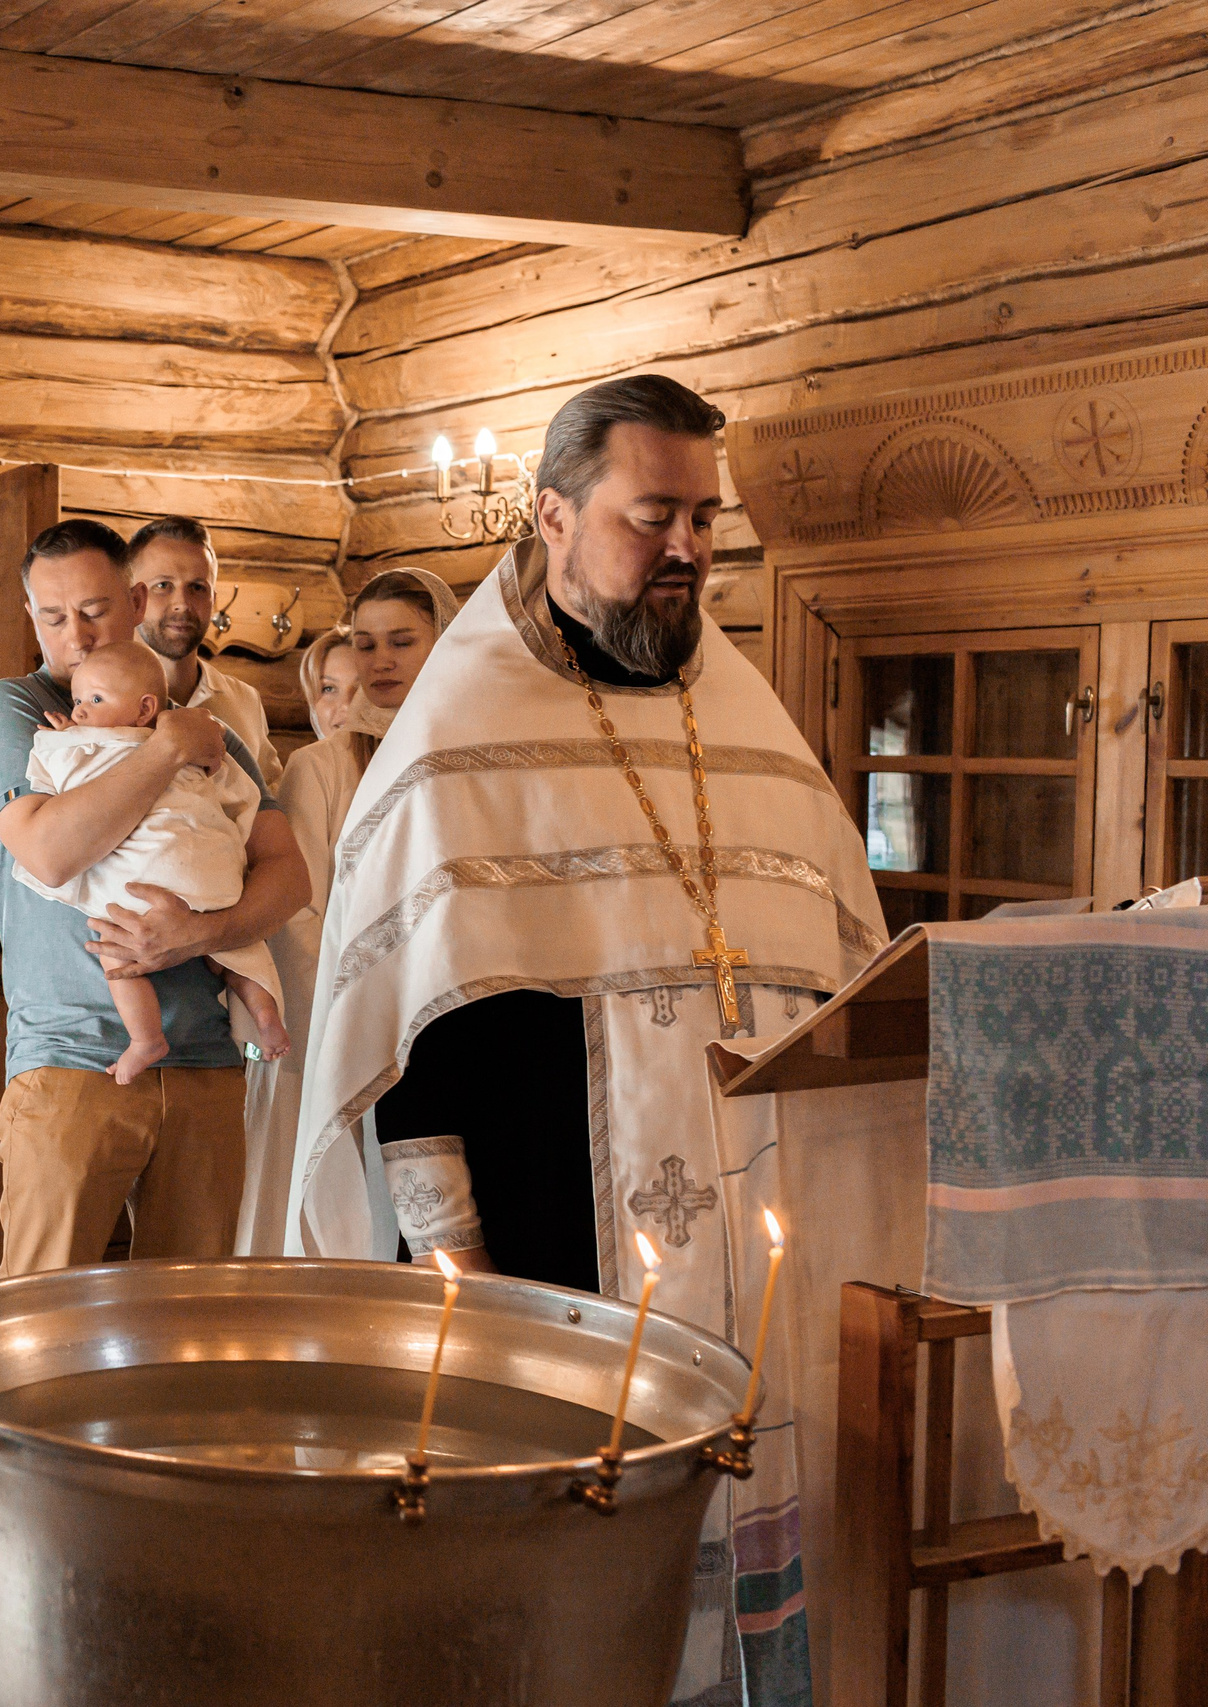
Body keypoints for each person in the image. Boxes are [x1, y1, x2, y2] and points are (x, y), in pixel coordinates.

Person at [287, 375, 884, 1706]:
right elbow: (405, 1058)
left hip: (749, 1268)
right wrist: (472, 1288)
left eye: (705, 521)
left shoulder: (750, 729)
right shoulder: (453, 740)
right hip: (542, 1274)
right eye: (652, 514)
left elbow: (841, 980)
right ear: (551, 513)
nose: (686, 550)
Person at [0, 519, 308, 1278]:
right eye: (52, 617)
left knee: (191, 1326)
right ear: (31, 617)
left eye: (91, 609)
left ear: (135, 599)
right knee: (39, 1315)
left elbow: (287, 873)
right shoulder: (15, 713)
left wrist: (200, 932)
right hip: (69, 1059)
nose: (75, 636)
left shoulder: (203, 727)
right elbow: (51, 853)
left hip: (208, 1061)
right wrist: (166, 750)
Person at [234, 567, 459, 1255]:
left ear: (444, 642)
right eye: (365, 644)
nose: (379, 660)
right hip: (334, 1021)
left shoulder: (464, 759)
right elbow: (294, 906)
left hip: (442, 1010)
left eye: (401, 641)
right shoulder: (323, 766)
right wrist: (363, 995)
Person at [16, 639, 288, 1084]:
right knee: (237, 950)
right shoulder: (203, 739)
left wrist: (64, 736)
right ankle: (265, 1014)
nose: (83, 711)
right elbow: (241, 796)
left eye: (96, 700)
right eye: (79, 701)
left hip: (151, 878)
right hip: (215, 877)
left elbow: (61, 786)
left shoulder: (97, 746)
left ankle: (144, 1038)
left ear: (144, 710)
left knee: (117, 957)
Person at [128, 514, 283, 783]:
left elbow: (270, 803)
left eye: (197, 588)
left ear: (214, 600)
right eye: (163, 586)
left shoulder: (245, 701)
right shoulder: (97, 697)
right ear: (134, 599)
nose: (182, 603)